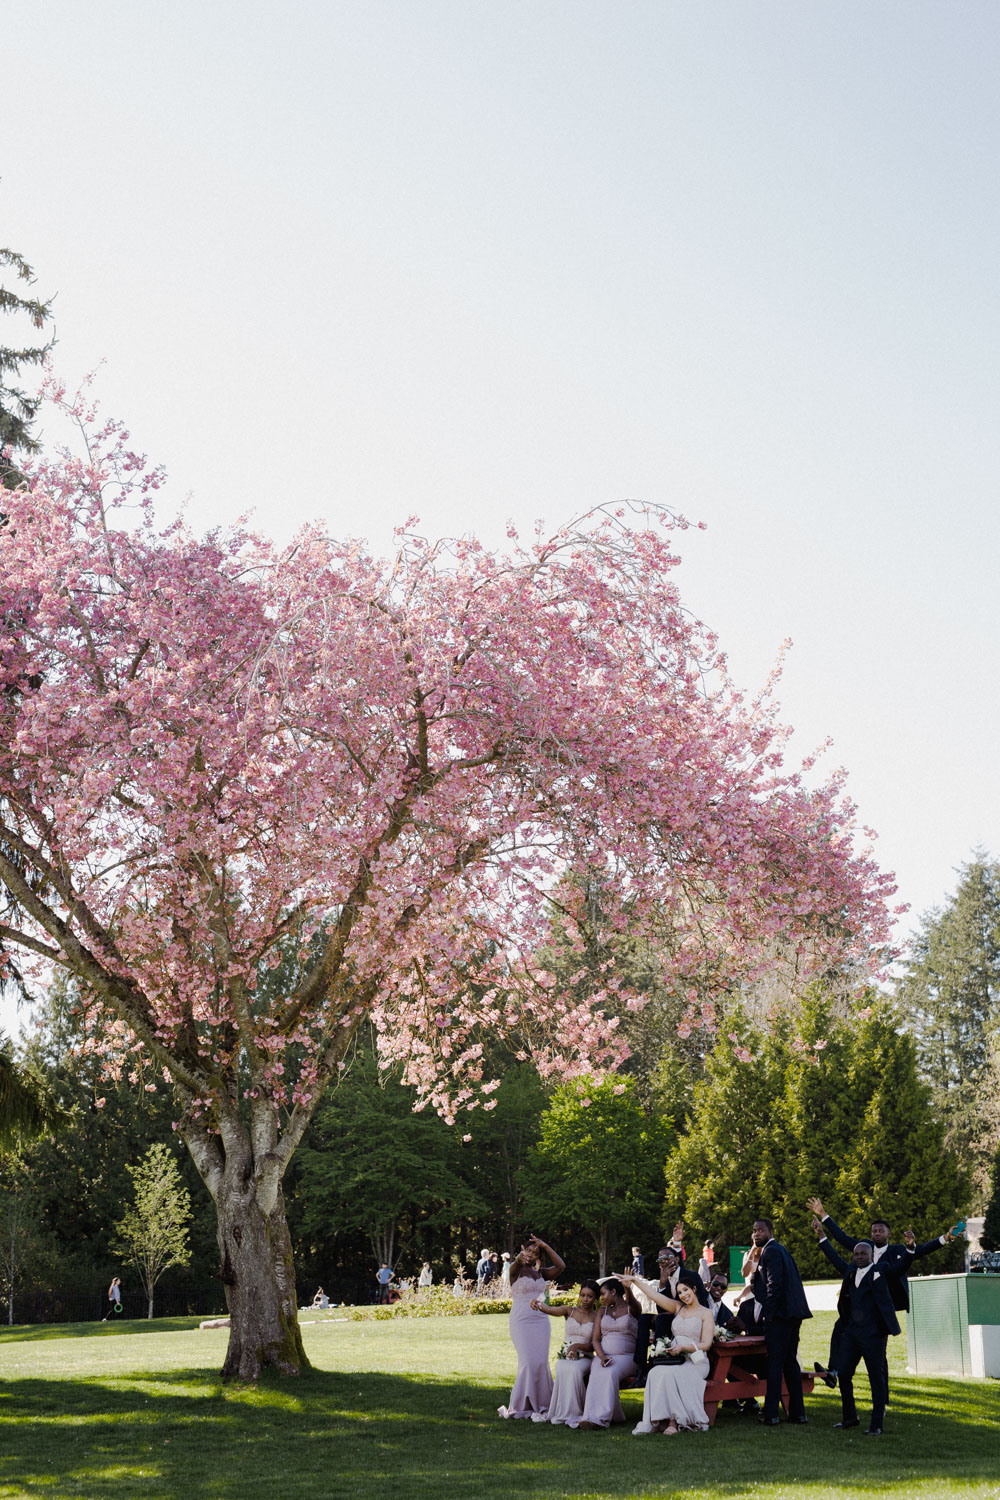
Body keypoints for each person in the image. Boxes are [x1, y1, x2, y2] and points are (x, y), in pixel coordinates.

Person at [806, 1196, 957, 1394]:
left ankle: (881, 1397)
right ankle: (833, 1371)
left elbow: (920, 1251)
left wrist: (945, 1238)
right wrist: (823, 1215)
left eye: (880, 1231)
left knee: (878, 1357)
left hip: (882, 1311)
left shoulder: (896, 1251)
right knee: (840, 1325)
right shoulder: (863, 1250)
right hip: (861, 1307)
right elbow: (842, 1239)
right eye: (874, 1231)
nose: (876, 1233)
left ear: (888, 1233)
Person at [810, 1217, 901, 1436]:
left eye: (863, 1253)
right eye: (856, 1254)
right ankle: (850, 1417)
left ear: (872, 1255)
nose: (859, 1256)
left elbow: (901, 1267)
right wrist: (822, 1236)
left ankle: (876, 1424)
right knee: (845, 1374)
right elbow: (834, 1258)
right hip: (852, 1334)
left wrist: (909, 1249)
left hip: (874, 1336)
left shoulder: (880, 1272)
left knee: (875, 1378)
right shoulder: (850, 1272)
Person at [626, 1275, 714, 1434]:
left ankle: (674, 1422)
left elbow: (706, 1344)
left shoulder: (706, 1313)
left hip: (695, 1360)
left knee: (673, 1374)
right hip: (674, 1358)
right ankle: (659, 1420)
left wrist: (684, 1348)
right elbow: (654, 1295)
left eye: (686, 1290)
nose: (683, 1295)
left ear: (694, 1289)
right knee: (655, 1372)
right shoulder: (678, 1307)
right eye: (680, 1292)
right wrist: (634, 1281)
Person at [750, 1217, 811, 1426]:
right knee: (789, 1363)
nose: (757, 1234)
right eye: (754, 1231)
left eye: (760, 1230)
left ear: (771, 1231)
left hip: (780, 1317)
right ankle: (797, 1413)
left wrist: (769, 1313)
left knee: (775, 1365)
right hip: (792, 1315)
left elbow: (773, 1285)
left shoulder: (772, 1251)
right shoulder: (778, 1250)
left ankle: (771, 1414)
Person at [498, 1234, 565, 1420]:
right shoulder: (516, 1271)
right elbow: (515, 1265)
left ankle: (544, 1402)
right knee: (527, 1362)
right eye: (529, 1250)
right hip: (521, 1320)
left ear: (538, 1257)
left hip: (541, 1320)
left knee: (541, 1362)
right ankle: (521, 1404)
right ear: (522, 1251)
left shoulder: (541, 1273)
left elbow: (561, 1266)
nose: (531, 1254)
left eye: (536, 1252)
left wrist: (546, 1245)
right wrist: (519, 1259)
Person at [632, 1246, 709, 1384]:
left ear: (677, 1259)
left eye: (667, 1257)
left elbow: (701, 1303)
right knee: (644, 1318)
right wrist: (662, 1282)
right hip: (668, 1316)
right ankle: (640, 1367)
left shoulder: (691, 1276)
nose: (664, 1261)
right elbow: (660, 1308)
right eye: (660, 1259)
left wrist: (673, 1311)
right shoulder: (665, 1279)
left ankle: (656, 1360)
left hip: (688, 1318)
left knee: (662, 1319)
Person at [531, 1278, 601, 1425]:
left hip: (586, 1358)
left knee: (574, 1370)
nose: (585, 1299)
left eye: (589, 1296)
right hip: (567, 1357)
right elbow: (548, 1309)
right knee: (562, 1366)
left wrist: (578, 1346)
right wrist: (537, 1303)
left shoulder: (597, 1318)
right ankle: (560, 1411)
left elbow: (593, 1345)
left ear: (595, 1298)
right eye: (582, 1295)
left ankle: (576, 1411)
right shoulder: (569, 1311)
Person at [577, 1279, 638, 1429]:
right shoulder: (602, 1311)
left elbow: (637, 1308)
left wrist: (628, 1289)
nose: (601, 1298)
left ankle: (600, 1419)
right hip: (603, 1355)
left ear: (613, 1292)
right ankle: (591, 1417)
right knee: (597, 1371)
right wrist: (602, 1357)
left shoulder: (631, 1309)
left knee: (610, 1373)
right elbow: (596, 1339)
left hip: (627, 1357)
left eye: (603, 1294)